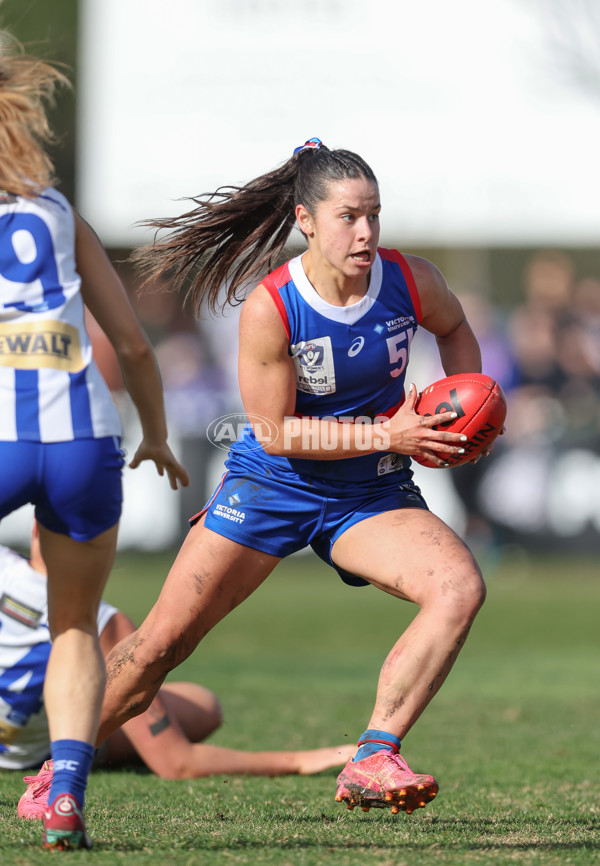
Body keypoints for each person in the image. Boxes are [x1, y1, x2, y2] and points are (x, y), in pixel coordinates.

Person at [84, 137, 491, 817]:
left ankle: (373, 755)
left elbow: (456, 329)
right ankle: (58, 768)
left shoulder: (409, 280)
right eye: (348, 217)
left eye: (374, 215)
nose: (365, 232)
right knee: (161, 644)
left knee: (458, 588)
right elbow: (273, 432)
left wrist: (464, 402)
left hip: (370, 491)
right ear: (305, 219)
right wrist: (389, 432)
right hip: (273, 487)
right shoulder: (273, 306)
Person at [0, 33, 188, 849]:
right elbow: (136, 346)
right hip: (85, 441)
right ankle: (66, 793)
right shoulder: (57, 210)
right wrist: (157, 434)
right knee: (72, 626)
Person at [0, 531, 355, 819]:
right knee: (202, 706)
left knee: (196, 703)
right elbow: (177, 762)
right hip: (29, 745)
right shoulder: (103, 619)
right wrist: (298, 760)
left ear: (35, 528)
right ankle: (71, 754)